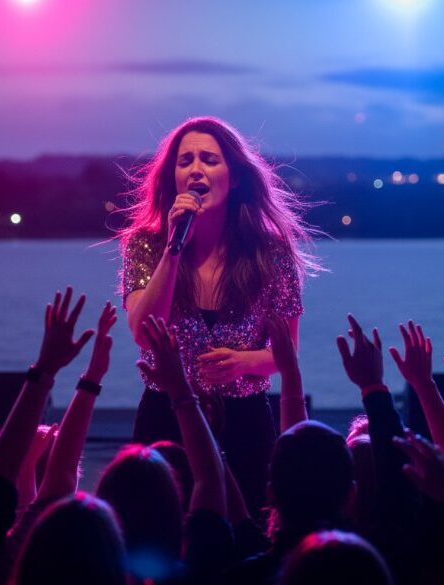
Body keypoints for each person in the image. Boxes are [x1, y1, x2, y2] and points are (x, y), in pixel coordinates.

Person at [119, 116, 318, 514]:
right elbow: (143, 333)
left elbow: (288, 352)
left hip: (244, 423)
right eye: (184, 160)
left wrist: (244, 362)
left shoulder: (271, 253)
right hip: (166, 417)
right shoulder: (147, 244)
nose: (195, 169)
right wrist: (174, 249)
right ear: (171, 176)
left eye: (209, 159)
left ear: (235, 176)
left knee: (243, 537)